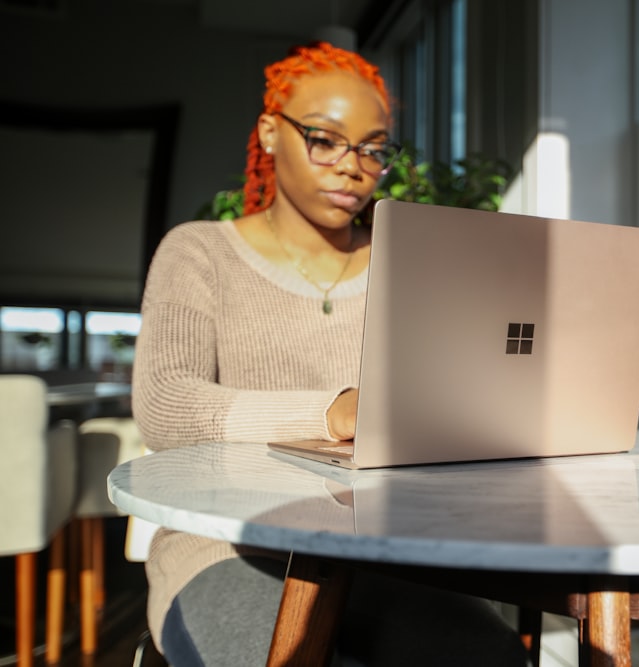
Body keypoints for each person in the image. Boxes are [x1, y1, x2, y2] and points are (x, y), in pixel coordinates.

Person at [132, 41, 528, 666]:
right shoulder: (199, 253)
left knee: (493, 658)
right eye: (325, 139)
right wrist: (333, 410)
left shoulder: (412, 264)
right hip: (225, 546)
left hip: (385, 554)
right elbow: (166, 404)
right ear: (269, 132)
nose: (353, 166)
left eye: (373, 147)